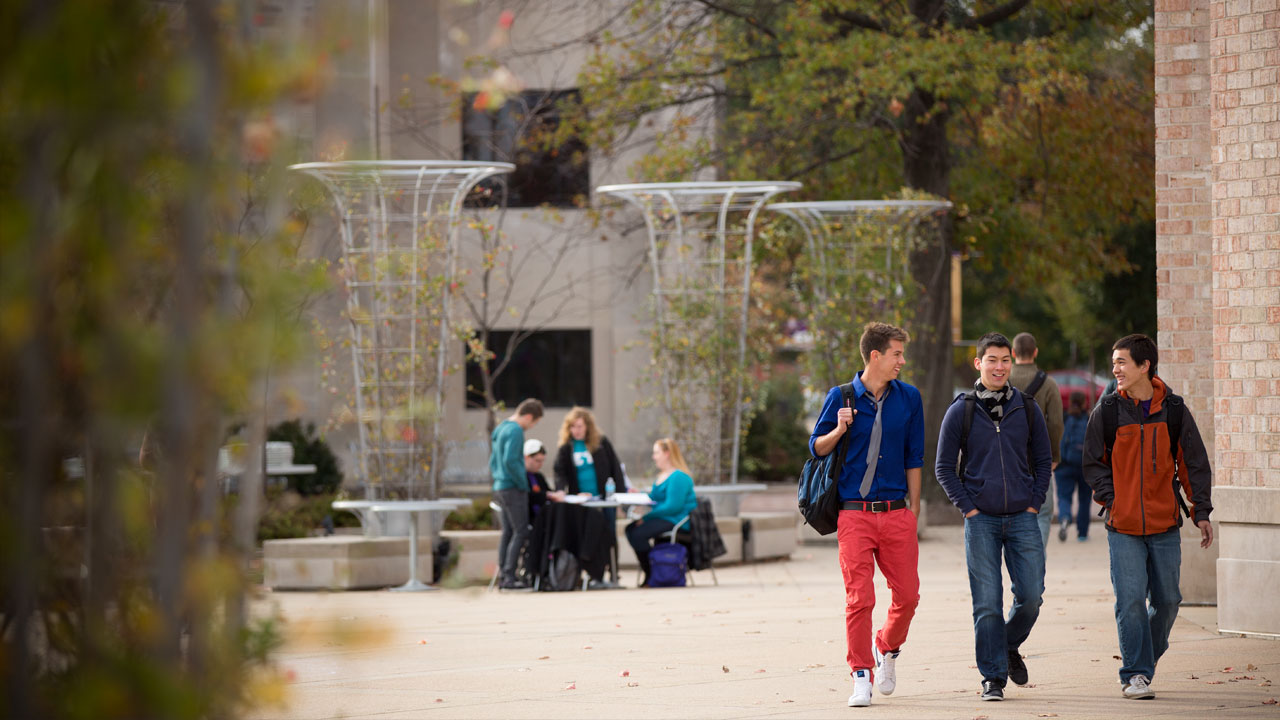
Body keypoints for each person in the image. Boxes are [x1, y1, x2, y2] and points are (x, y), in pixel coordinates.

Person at [1083, 334, 1213, 700]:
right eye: (1114, 362)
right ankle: (1135, 673)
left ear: (1145, 366)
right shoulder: (1107, 411)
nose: (1115, 369)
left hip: (1164, 524)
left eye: (1122, 362)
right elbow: (1093, 464)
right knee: (1129, 602)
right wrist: (1112, 500)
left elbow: (1194, 463)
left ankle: (1144, 661)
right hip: (1122, 525)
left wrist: (1200, 510)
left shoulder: (1174, 411)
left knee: (1169, 600)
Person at [808, 321, 923, 708]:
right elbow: (817, 449)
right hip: (854, 515)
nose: (901, 361)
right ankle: (861, 675)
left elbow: (914, 458)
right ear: (875, 355)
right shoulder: (840, 396)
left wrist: (915, 512)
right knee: (860, 599)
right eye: (896, 354)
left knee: (907, 597)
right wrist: (839, 428)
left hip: (896, 513)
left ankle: (886, 647)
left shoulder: (909, 398)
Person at [935, 332, 1052, 702]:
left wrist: (1034, 502)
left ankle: (1006, 643)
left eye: (1005, 360)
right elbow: (943, 468)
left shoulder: (1028, 408)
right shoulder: (961, 410)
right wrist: (968, 508)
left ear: (1012, 362)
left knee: (1031, 595)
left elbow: (1043, 461)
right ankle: (992, 678)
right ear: (978, 363)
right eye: (992, 360)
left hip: (1022, 516)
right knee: (987, 601)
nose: (1000, 367)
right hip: (980, 519)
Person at [1010, 332, 1064, 547]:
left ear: (1013, 353)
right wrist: (1054, 456)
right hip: (1038, 457)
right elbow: (1056, 422)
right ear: (1036, 352)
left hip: (1009, 456)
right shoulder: (1048, 383)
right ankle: (1034, 562)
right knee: (1042, 511)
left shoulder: (1005, 378)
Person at [623, 437, 696, 588]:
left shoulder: (678, 477)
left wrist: (647, 516)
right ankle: (653, 571)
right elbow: (654, 498)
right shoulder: (662, 476)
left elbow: (672, 506)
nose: (653, 457)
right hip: (664, 518)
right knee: (630, 529)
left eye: (656, 453)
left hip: (676, 520)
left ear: (667, 453)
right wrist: (638, 494)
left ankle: (653, 573)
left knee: (638, 533)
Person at [489, 399, 543, 590]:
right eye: (534, 423)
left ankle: (504, 575)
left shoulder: (501, 428)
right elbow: (511, 460)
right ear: (528, 416)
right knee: (521, 531)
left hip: (500, 485)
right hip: (513, 487)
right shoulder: (516, 431)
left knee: (508, 532)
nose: (531, 426)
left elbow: (493, 460)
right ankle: (509, 576)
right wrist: (523, 483)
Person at [552, 406, 627, 497]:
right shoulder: (566, 448)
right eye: (573, 426)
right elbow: (559, 472)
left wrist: (621, 493)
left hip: (603, 497)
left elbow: (615, 467)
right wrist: (560, 490)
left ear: (587, 426)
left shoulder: (601, 443)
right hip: (579, 498)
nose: (576, 430)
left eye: (579, 426)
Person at [1056, 392, 1091, 542]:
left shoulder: (1064, 418)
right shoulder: (1089, 419)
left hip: (1064, 465)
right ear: (1084, 403)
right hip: (1085, 466)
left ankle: (1064, 518)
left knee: (1064, 497)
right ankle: (1082, 534)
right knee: (1085, 500)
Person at [523, 439, 564, 523]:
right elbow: (527, 496)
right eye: (537, 460)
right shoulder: (521, 476)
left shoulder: (539, 476)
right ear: (526, 457)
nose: (540, 464)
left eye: (542, 461)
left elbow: (548, 491)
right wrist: (547, 495)